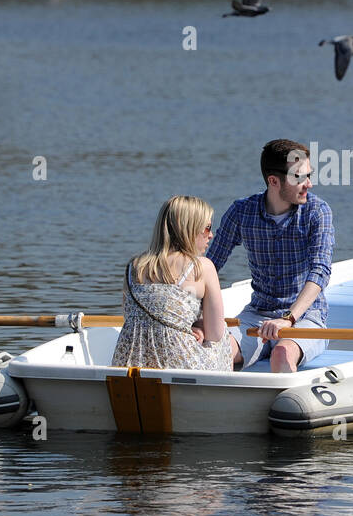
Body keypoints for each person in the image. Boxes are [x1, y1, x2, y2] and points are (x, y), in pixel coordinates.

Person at [207, 140, 334, 373]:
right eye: (300, 178)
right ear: (274, 181)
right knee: (215, 352)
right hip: (256, 316)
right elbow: (209, 266)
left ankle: (281, 407)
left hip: (305, 317)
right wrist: (195, 315)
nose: (309, 184)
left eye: (309, 175)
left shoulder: (318, 211)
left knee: (281, 355)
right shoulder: (241, 211)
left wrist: (289, 318)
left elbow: (320, 271)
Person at [111, 195, 233, 373]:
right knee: (224, 336)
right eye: (207, 228)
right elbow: (215, 333)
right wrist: (199, 328)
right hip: (179, 367)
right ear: (189, 229)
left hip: (128, 366)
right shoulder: (203, 267)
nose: (211, 235)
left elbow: (135, 318)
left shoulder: (133, 266)